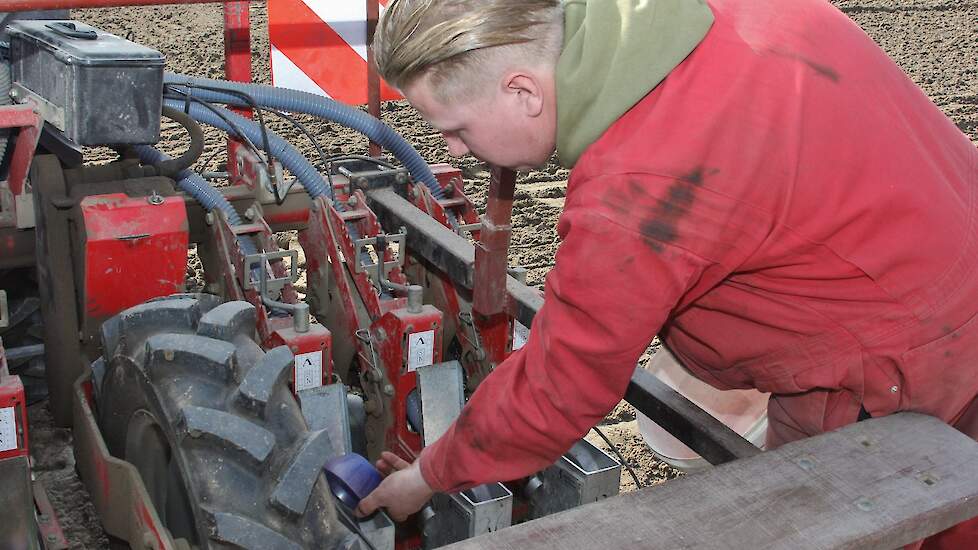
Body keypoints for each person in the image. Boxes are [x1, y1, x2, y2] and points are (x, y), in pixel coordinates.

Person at [357, 0, 978, 546]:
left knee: (834, 518)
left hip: (899, 360)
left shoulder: (636, 191)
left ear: (525, 92)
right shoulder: (688, 16)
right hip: (947, 250)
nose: (454, 150)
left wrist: (428, 474)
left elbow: (562, 384)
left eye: (456, 129)